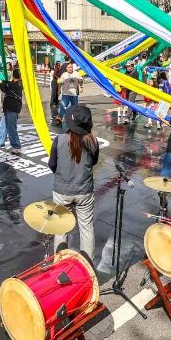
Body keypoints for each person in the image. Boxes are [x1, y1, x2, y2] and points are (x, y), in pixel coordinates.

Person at [48, 104, 98, 261]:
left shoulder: (59, 139)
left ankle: (59, 262)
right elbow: (94, 162)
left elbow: (52, 164)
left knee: (61, 229)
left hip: (62, 191)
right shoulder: (93, 141)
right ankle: (88, 266)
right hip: (84, 191)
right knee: (86, 228)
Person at [0, 68, 23, 154]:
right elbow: (3, 83)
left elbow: (3, 84)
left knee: (11, 127)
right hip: (8, 108)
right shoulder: (13, 83)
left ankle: (16, 146)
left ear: (13, 75)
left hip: (12, 108)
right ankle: (0, 143)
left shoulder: (17, 84)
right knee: (3, 125)